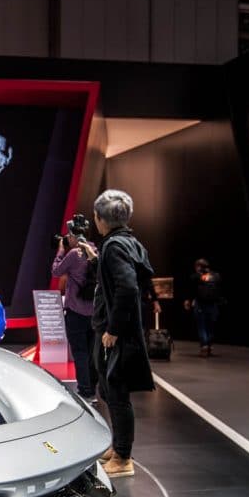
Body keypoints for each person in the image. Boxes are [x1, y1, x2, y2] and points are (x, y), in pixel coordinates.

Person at [86, 190, 155, 479]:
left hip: (117, 334)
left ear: (101, 218)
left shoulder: (114, 246)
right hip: (120, 331)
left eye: (96, 216)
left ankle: (124, 458)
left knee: (116, 393)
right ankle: (118, 447)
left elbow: (128, 288)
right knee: (110, 390)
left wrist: (113, 330)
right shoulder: (128, 242)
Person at [52, 232, 97, 400]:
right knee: (91, 353)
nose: (67, 239)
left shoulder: (73, 254)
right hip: (93, 313)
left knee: (80, 352)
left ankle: (85, 390)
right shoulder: (96, 251)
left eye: (69, 236)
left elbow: (56, 271)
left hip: (76, 311)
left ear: (74, 236)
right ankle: (92, 388)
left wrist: (60, 251)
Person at [183, 258, 224, 357]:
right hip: (213, 304)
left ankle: (204, 346)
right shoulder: (216, 276)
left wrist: (188, 300)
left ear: (198, 266)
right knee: (211, 326)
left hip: (200, 304)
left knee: (202, 326)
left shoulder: (196, 277)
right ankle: (209, 345)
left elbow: (191, 289)